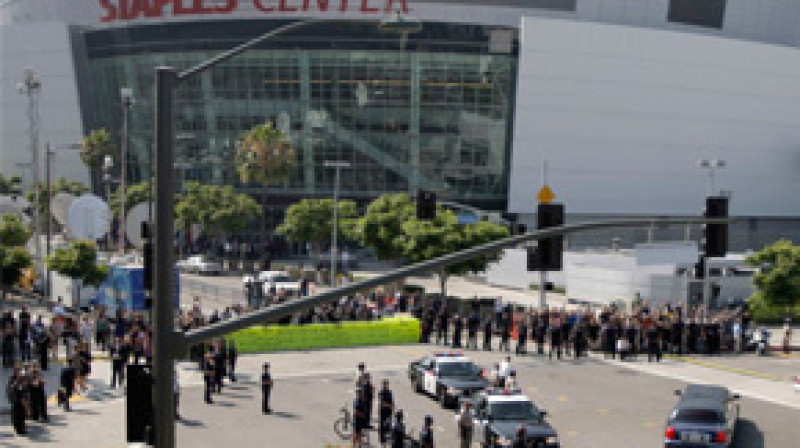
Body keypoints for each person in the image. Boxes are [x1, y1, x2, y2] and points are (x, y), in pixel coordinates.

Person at [378, 380, 394, 444]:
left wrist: (392, 406)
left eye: (387, 384)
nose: (386, 386)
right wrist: (389, 405)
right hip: (383, 411)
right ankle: (382, 439)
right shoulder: (381, 392)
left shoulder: (389, 392)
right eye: (385, 385)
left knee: (388, 425)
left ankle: (387, 437)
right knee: (382, 425)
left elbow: (391, 401)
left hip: (389, 411)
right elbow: (382, 403)